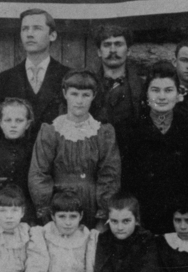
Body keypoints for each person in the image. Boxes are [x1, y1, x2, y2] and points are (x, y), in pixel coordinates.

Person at [29, 70, 121, 229]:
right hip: (58, 206)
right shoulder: (51, 131)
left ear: (94, 95)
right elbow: (38, 173)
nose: (79, 101)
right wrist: (47, 213)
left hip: (92, 203)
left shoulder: (103, 132)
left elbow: (110, 174)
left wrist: (103, 213)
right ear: (65, 94)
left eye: (85, 95)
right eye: (74, 94)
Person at [120, 61, 188, 234]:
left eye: (168, 90)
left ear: (178, 93)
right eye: (155, 90)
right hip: (143, 215)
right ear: (146, 94)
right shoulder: (130, 128)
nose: (162, 97)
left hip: (180, 217)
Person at [0, 8, 71, 142]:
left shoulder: (68, 76)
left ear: (52, 35)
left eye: (37, 28)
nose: (29, 34)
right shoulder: (6, 78)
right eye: (25, 29)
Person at [90, 25, 143, 131]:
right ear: (99, 52)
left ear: (128, 51)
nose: (113, 50)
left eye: (118, 44)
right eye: (107, 45)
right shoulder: (89, 85)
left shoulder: (142, 86)